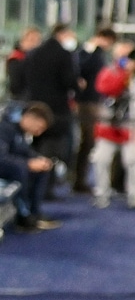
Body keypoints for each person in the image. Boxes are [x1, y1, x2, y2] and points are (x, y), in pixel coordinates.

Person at [89, 41, 135, 210]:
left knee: (132, 160)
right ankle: (101, 193)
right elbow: (107, 89)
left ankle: (134, 194)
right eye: (123, 55)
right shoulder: (109, 71)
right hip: (109, 126)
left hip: (132, 126)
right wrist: (124, 73)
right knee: (101, 159)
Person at [21, 23, 80, 199]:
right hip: (57, 110)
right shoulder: (63, 54)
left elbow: (25, 80)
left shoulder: (34, 53)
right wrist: (78, 85)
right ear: (62, 34)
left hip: (34, 107)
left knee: (36, 148)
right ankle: (45, 188)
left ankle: (36, 187)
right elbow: (70, 81)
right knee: (54, 150)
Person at [0, 100, 60, 232]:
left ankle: (34, 213)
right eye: (39, 127)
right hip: (6, 167)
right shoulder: (4, 127)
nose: (39, 132)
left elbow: (23, 150)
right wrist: (27, 163)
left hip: (10, 166)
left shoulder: (18, 130)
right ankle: (23, 217)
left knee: (42, 167)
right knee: (20, 169)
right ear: (29, 118)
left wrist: (38, 159)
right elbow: (1, 157)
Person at [72, 27, 116, 195]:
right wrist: (94, 48)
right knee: (87, 141)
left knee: (90, 142)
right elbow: (80, 68)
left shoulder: (99, 54)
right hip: (85, 102)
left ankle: (80, 178)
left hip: (95, 101)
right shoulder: (87, 52)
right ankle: (78, 179)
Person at [5, 28, 40, 99]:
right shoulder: (16, 58)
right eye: (31, 40)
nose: (35, 44)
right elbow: (15, 84)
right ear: (22, 41)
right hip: (20, 98)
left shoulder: (37, 58)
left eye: (38, 41)